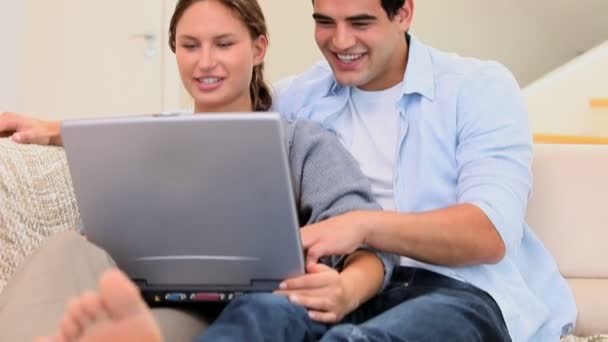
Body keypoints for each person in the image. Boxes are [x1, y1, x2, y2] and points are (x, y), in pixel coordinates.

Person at [1, 0, 578, 341]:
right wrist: (59, 130)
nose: (340, 42)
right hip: (325, 282)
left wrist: (365, 228)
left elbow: (488, 234)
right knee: (259, 317)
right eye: (324, 21)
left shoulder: (477, 88)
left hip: (457, 288)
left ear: (405, 11)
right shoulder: (304, 97)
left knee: (362, 339)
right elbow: (203, 128)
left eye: (360, 22)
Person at [0, 0, 396, 341]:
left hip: (251, 312)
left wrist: (344, 287)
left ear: (258, 48)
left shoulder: (301, 142)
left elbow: (367, 237)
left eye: (224, 44)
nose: (206, 62)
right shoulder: (142, 140)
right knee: (68, 245)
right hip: (151, 298)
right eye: (190, 46)